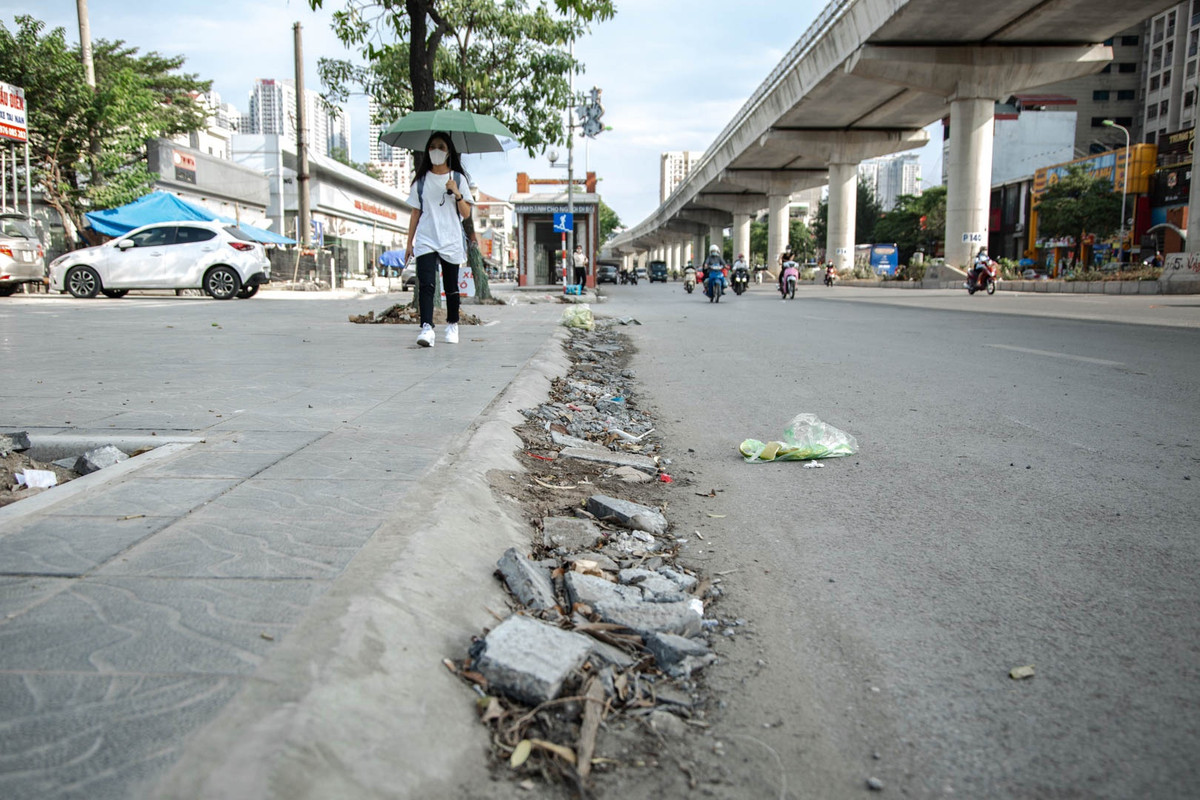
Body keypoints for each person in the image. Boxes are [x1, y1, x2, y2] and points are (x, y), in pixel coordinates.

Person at [404, 132, 475, 348]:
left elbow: (466, 214)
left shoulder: (459, 179)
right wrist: (409, 243)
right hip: (426, 238)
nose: (437, 150)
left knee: (451, 286)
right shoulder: (421, 181)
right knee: (426, 284)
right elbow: (415, 213)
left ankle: (452, 324)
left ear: (449, 151)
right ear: (427, 150)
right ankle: (427, 328)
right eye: (433, 146)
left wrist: (456, 193)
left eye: (442, 147)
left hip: (451, 239)